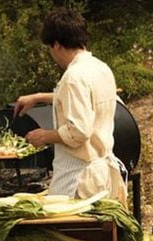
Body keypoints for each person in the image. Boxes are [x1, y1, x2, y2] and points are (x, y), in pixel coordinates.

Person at [13, 7, 127, 206]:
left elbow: (78, 132)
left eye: (49, 47)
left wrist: (45, 136)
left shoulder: (73, 77)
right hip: (100, 175)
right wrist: (38, 97)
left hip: (79, 180)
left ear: (56, 45)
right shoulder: (100, 67)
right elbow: (82, 99)